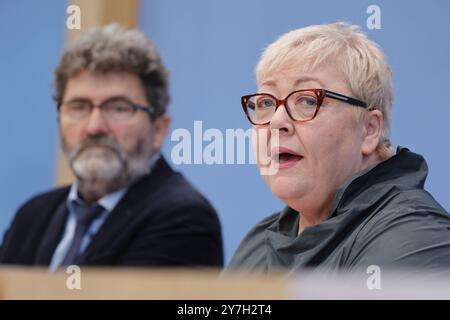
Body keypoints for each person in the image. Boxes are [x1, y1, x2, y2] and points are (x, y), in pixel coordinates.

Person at [228, 22, 450, 273]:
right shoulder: (257, 244)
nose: (278, 121)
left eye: (308, 100)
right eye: (267, 102)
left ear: (369, 129)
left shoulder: (416, 239)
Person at [0, 24, 223, 269]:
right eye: (79, 107)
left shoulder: (184, 219)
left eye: (118, 108)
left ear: (158, 129)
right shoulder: (32, 216)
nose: (94, 127)